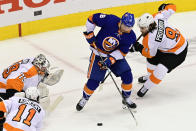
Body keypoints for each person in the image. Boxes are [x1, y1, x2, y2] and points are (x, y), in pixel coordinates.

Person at [76, 12, 137, 111]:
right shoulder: (110, 20)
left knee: (127, 75)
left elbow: (122, 52)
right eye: (125, 26)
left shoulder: (130, 36)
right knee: (94, 81)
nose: (127, 29)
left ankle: (126, 98)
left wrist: (111, 59)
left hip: (113, 56)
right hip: (98, 53)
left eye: (130, 27)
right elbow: (92, 18)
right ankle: (84, 98)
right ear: (121, 22)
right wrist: (89, 32)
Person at [130, 3, 188, 97]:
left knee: (161, 69)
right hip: (167, 47)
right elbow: (173, 7)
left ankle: (146, 87)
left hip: (178, 52)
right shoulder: (157, 16)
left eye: (143, 28)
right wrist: (164, 6)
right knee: (152, 60)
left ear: (149, 26)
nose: (141, 30)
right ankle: (149, 77)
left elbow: (150, 54)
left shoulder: (149, 39)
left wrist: (138, 47)